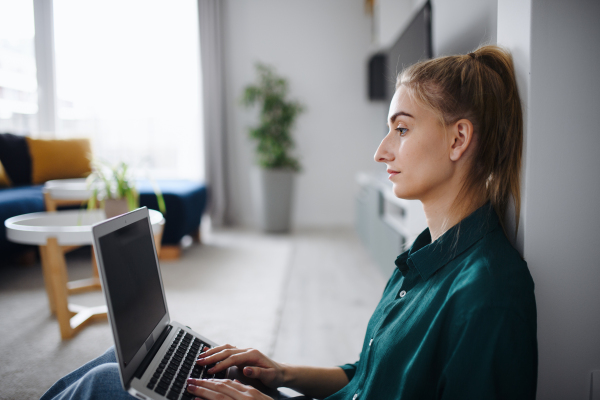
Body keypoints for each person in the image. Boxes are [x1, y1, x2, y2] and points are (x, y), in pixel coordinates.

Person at [41, 44, 537, 400]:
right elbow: (367, 379)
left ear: (458, 140)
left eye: (401, 129)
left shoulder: (490, 293)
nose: (381, 150)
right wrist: (279, 373)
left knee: (107, 387)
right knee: (125, 362)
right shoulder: (427, 256)